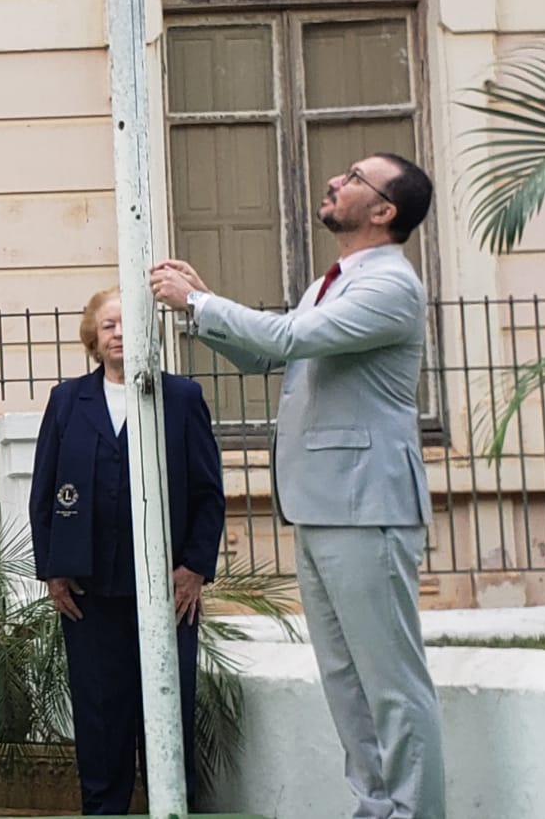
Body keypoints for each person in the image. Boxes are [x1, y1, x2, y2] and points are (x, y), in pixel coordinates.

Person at [151, 152, 445, 818]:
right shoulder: (334, 281)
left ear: (384, 211)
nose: (335, 180)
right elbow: (266, 354)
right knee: (346, 682)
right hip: (322, 504)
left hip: (368, 507)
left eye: (355, 178)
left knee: (391, 686)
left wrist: (199, 301)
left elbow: (286, 337)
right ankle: (377, 808)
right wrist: (203, 307)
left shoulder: (389, 286)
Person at [27, 287, 224, 814]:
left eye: (128, 323)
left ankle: (171, 808)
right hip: (88, 591)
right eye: (108, 325)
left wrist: (194, 570)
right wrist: (53, 571)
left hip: (167, 592)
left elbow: (208, 492)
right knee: (99, 717)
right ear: (93, 338)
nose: (119, 334)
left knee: (168, 712)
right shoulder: (67, 400)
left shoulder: (181, 398)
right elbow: (44, 492)